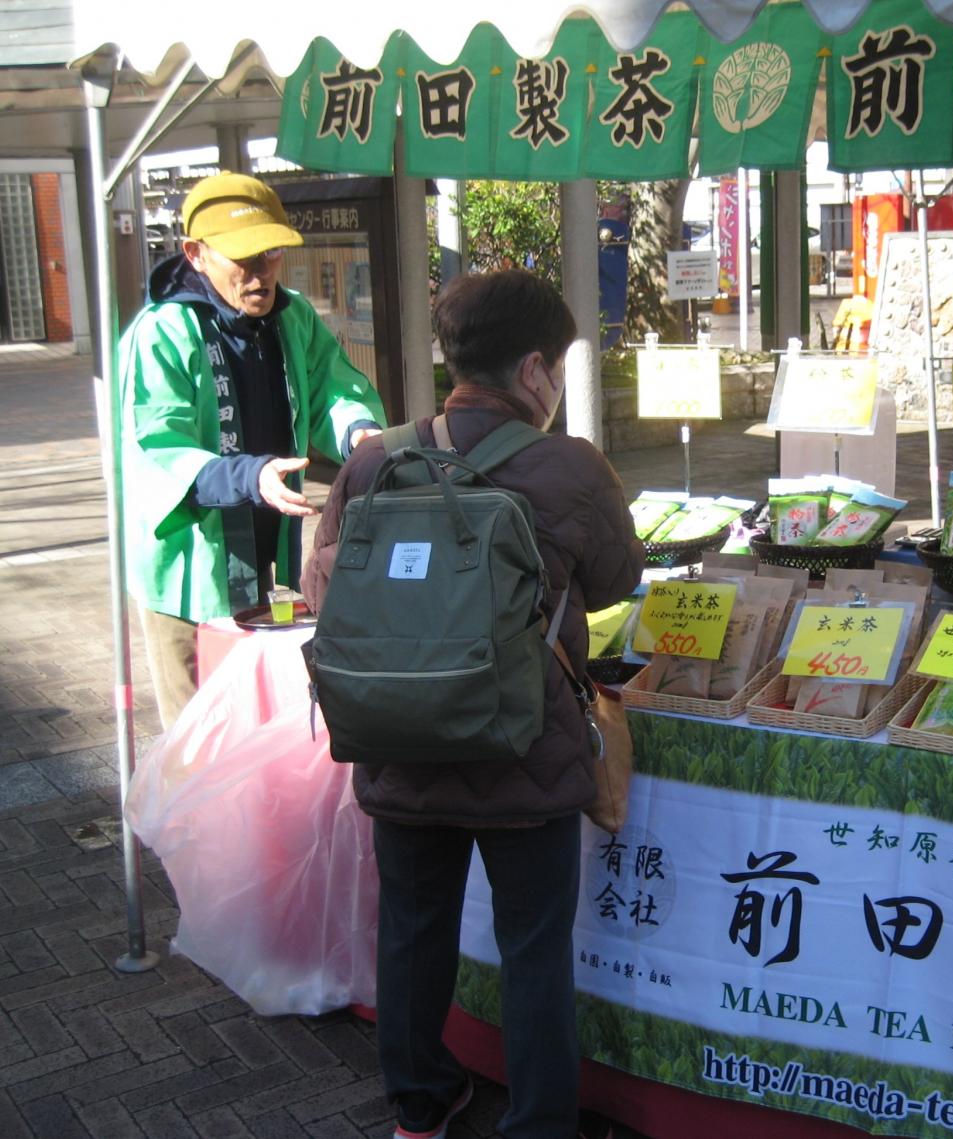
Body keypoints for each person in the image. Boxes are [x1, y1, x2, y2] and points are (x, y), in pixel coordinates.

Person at [304, 270, 644, 1139]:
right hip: (523, 748)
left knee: (413, 928)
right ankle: (539, 1124)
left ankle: (420, 1105)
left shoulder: (376, 456)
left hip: (398, 735)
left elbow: (321, 584)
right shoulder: (571, 465)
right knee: (535, 948)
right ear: (534, 369)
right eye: (560, 365)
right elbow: (616, 581)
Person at [118, 172, 386, 728]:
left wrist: (357, 431)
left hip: (269, 556)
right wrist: (248, 476)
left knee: (259, 721)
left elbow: (333, 386)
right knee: (199, 733)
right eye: (243, 257)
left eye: (270, 253)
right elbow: (155, 445)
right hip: (191, 570)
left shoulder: (291, 316)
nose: (261, 270)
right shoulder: (161, 332)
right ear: (196, 254)